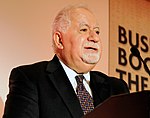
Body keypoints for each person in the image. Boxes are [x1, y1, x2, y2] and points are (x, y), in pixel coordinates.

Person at [3, 5, 129, 118]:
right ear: (59, 40)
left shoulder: (116, 88)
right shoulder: (30, 78)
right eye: (84, 30)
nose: (95, 38)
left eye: (97, 31)